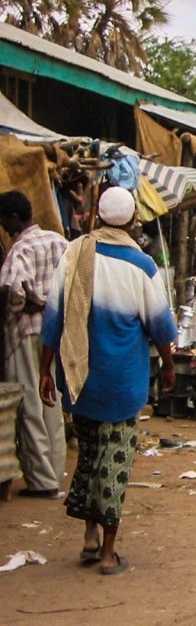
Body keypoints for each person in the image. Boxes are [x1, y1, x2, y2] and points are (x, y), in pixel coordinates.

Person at [39, 186, 177, 574]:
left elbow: (53, 318)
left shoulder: (74, 254)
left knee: (88, 454)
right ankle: (107, 552)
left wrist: (45, 370)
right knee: (113, 462)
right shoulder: (142, 266)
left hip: (80, 378)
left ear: (97, 217)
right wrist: (168, 365)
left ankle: (89, 537)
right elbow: (161, 326)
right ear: (133, 221)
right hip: (123, 382)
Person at [0, 191, 68, 498]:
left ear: (14, 218)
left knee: (28, 402)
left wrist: (27, 303)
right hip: (56, 333)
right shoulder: (58, 242)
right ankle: (54, 471)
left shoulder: (20, 249)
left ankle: (41, 481)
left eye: (3, 218)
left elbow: (12, 289)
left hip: (26, 332)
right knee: (51, 401)